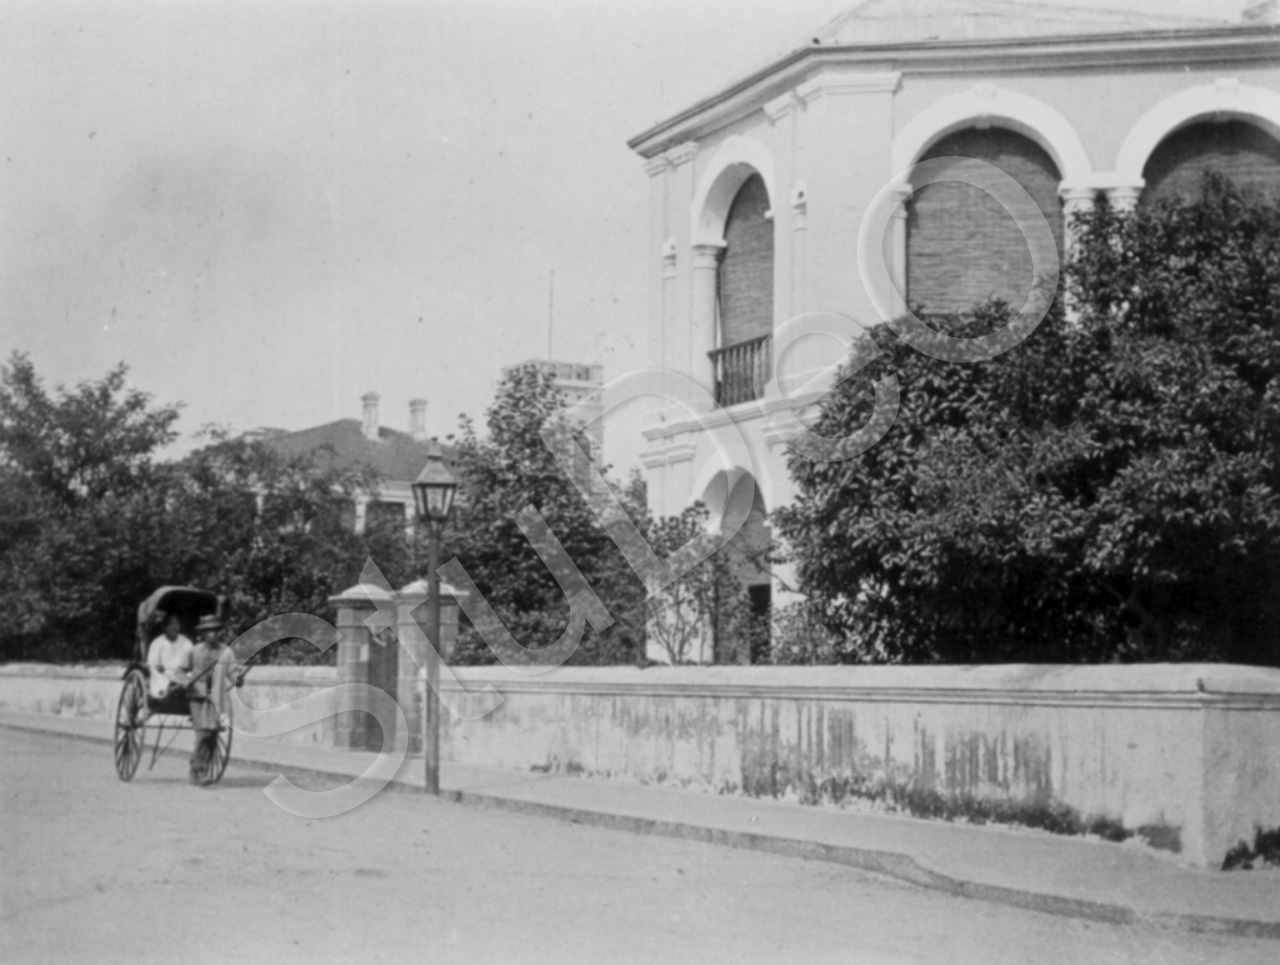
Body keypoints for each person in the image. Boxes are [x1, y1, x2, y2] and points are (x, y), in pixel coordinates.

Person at [188, 614, 228, 786]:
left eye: (215, 630)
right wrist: (183, 681)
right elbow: (180, 670)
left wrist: (238, 677)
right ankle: (199, 769)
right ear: (203, 633)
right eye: (209, 631)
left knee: (213, 733)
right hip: (197, 695)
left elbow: (233, 670)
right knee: (203, 732)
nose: (212, 634)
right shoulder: (194, 650)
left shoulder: (225, 651)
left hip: (215, 696)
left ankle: (195, 767)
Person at [147, 613, 194, 702]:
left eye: (176, 624)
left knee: (193, 677)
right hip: (164, 674)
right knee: (158, 675)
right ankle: (165, 692)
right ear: (164, 627)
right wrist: (158, 666)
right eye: (170, 624)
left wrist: (187, 670)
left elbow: (192, 663)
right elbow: (152, 664)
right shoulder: (157, 643)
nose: (174, 627)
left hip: (181, 675)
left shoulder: (187, 642)